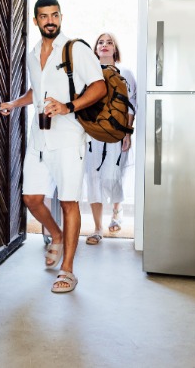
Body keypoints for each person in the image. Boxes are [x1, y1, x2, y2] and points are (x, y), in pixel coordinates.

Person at [0, 0, 105, 293]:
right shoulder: (33, 54)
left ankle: (68, 270)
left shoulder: (76, 49)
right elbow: (37, 90)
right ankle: (56, 235)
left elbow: (99, 86)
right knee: (31, 198)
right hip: (38, 139)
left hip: (69, 139)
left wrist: (68, 107)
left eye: (55, 15)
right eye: (44, 16)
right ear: (36, 21)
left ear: (61, 17)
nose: (50, 21)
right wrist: (15, 103)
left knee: (68, 201)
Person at [83, 32, 137, 245]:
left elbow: (131, 103)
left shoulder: (126, 72)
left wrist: (127, 131)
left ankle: (117, 208)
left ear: (115, 49)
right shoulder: (89, 72)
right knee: (93, 178)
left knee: (112, 176)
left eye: (109, 42)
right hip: (93, 133)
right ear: (95, 49)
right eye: (100, 42)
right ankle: (97, 228)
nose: (104, 45)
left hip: (116, 131)